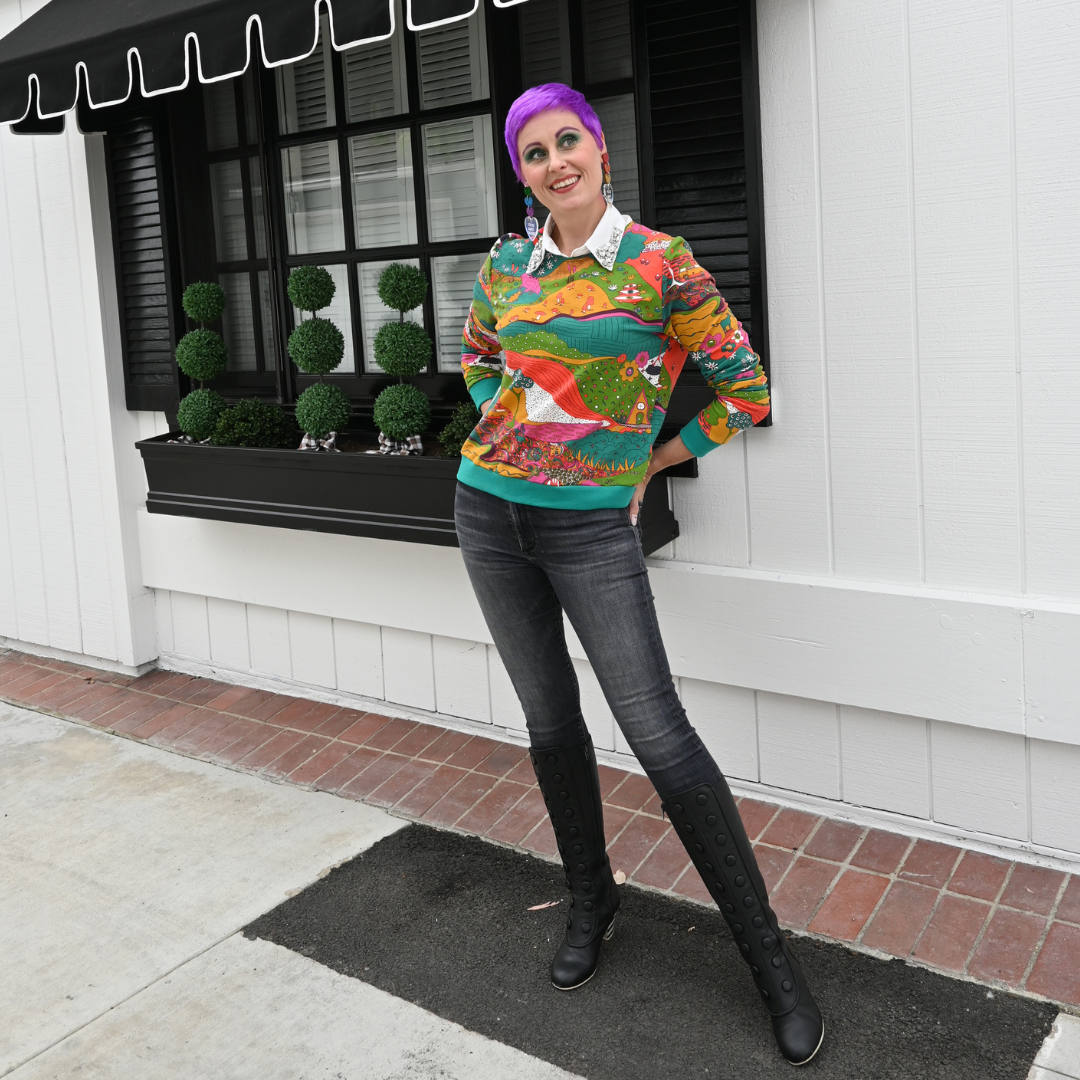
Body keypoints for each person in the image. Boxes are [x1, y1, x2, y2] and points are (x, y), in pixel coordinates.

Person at [452, 82, 823, 1066]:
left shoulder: (663, 265)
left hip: (589, 536)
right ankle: (590, 899)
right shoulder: (504, 264)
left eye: (565, 140)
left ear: (600, 150)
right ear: (521, 172)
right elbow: (479, 363)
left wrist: (649, 458)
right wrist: (523, 430)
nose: (552, 162)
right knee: (548, 718)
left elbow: (747, 389)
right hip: (488, 513)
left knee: (659, 736)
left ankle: (770, 962)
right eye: (532, 153)